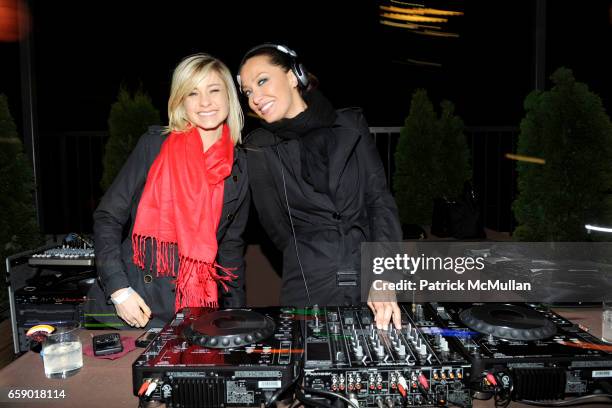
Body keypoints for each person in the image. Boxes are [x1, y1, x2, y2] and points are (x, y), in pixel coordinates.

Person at [238, 44, 403, 329]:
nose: (255, 97)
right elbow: (276, 227)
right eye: (249, 92)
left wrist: (383, 275)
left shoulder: (351, 124)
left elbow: (379, 201)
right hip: (308, 280)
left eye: (262, 80)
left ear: (293, 76)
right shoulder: (259, 148)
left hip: (369, 274)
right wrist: (314, 252)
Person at [87, 54, 249, 328]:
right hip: (132, 306)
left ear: (229, 97)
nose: (205, 102)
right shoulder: (154, 146)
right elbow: (108, 217)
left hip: (197, 307)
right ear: (181, 101)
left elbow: (231, 247)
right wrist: (119, 290)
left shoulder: (240, 165)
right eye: (193, 93)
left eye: (214, 90)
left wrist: (237, 316)